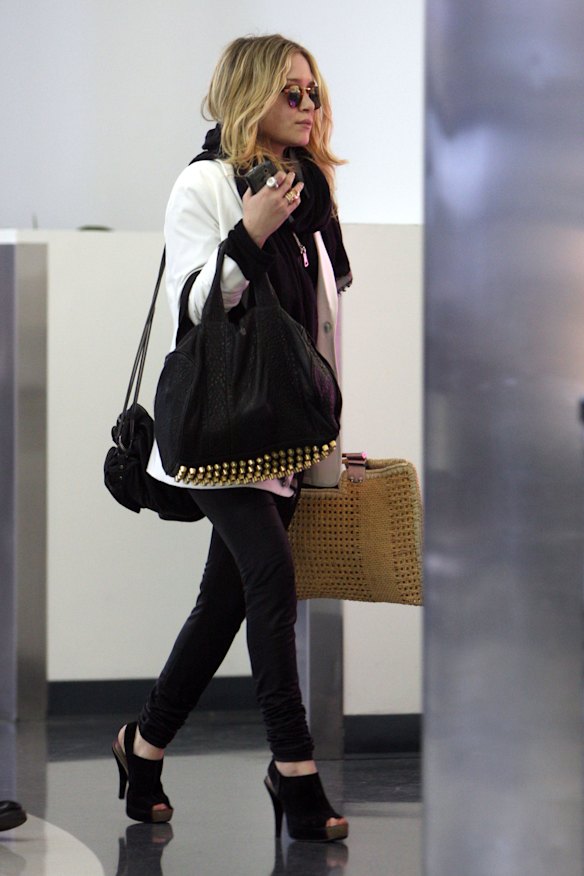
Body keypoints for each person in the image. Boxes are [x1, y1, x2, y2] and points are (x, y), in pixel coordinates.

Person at [112, 33, 352, 843]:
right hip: (220, 428)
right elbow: (193, 305)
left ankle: (143, 746)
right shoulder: (206, 184)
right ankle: (294, 767)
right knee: (271, 578)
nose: (309, 106)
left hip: (283, 430)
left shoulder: (309, 197)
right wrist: (248, 232)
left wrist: (330, 442)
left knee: (223, 603)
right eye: (292, 92)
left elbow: (319, 328)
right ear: (252, 95)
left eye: (314, 92)